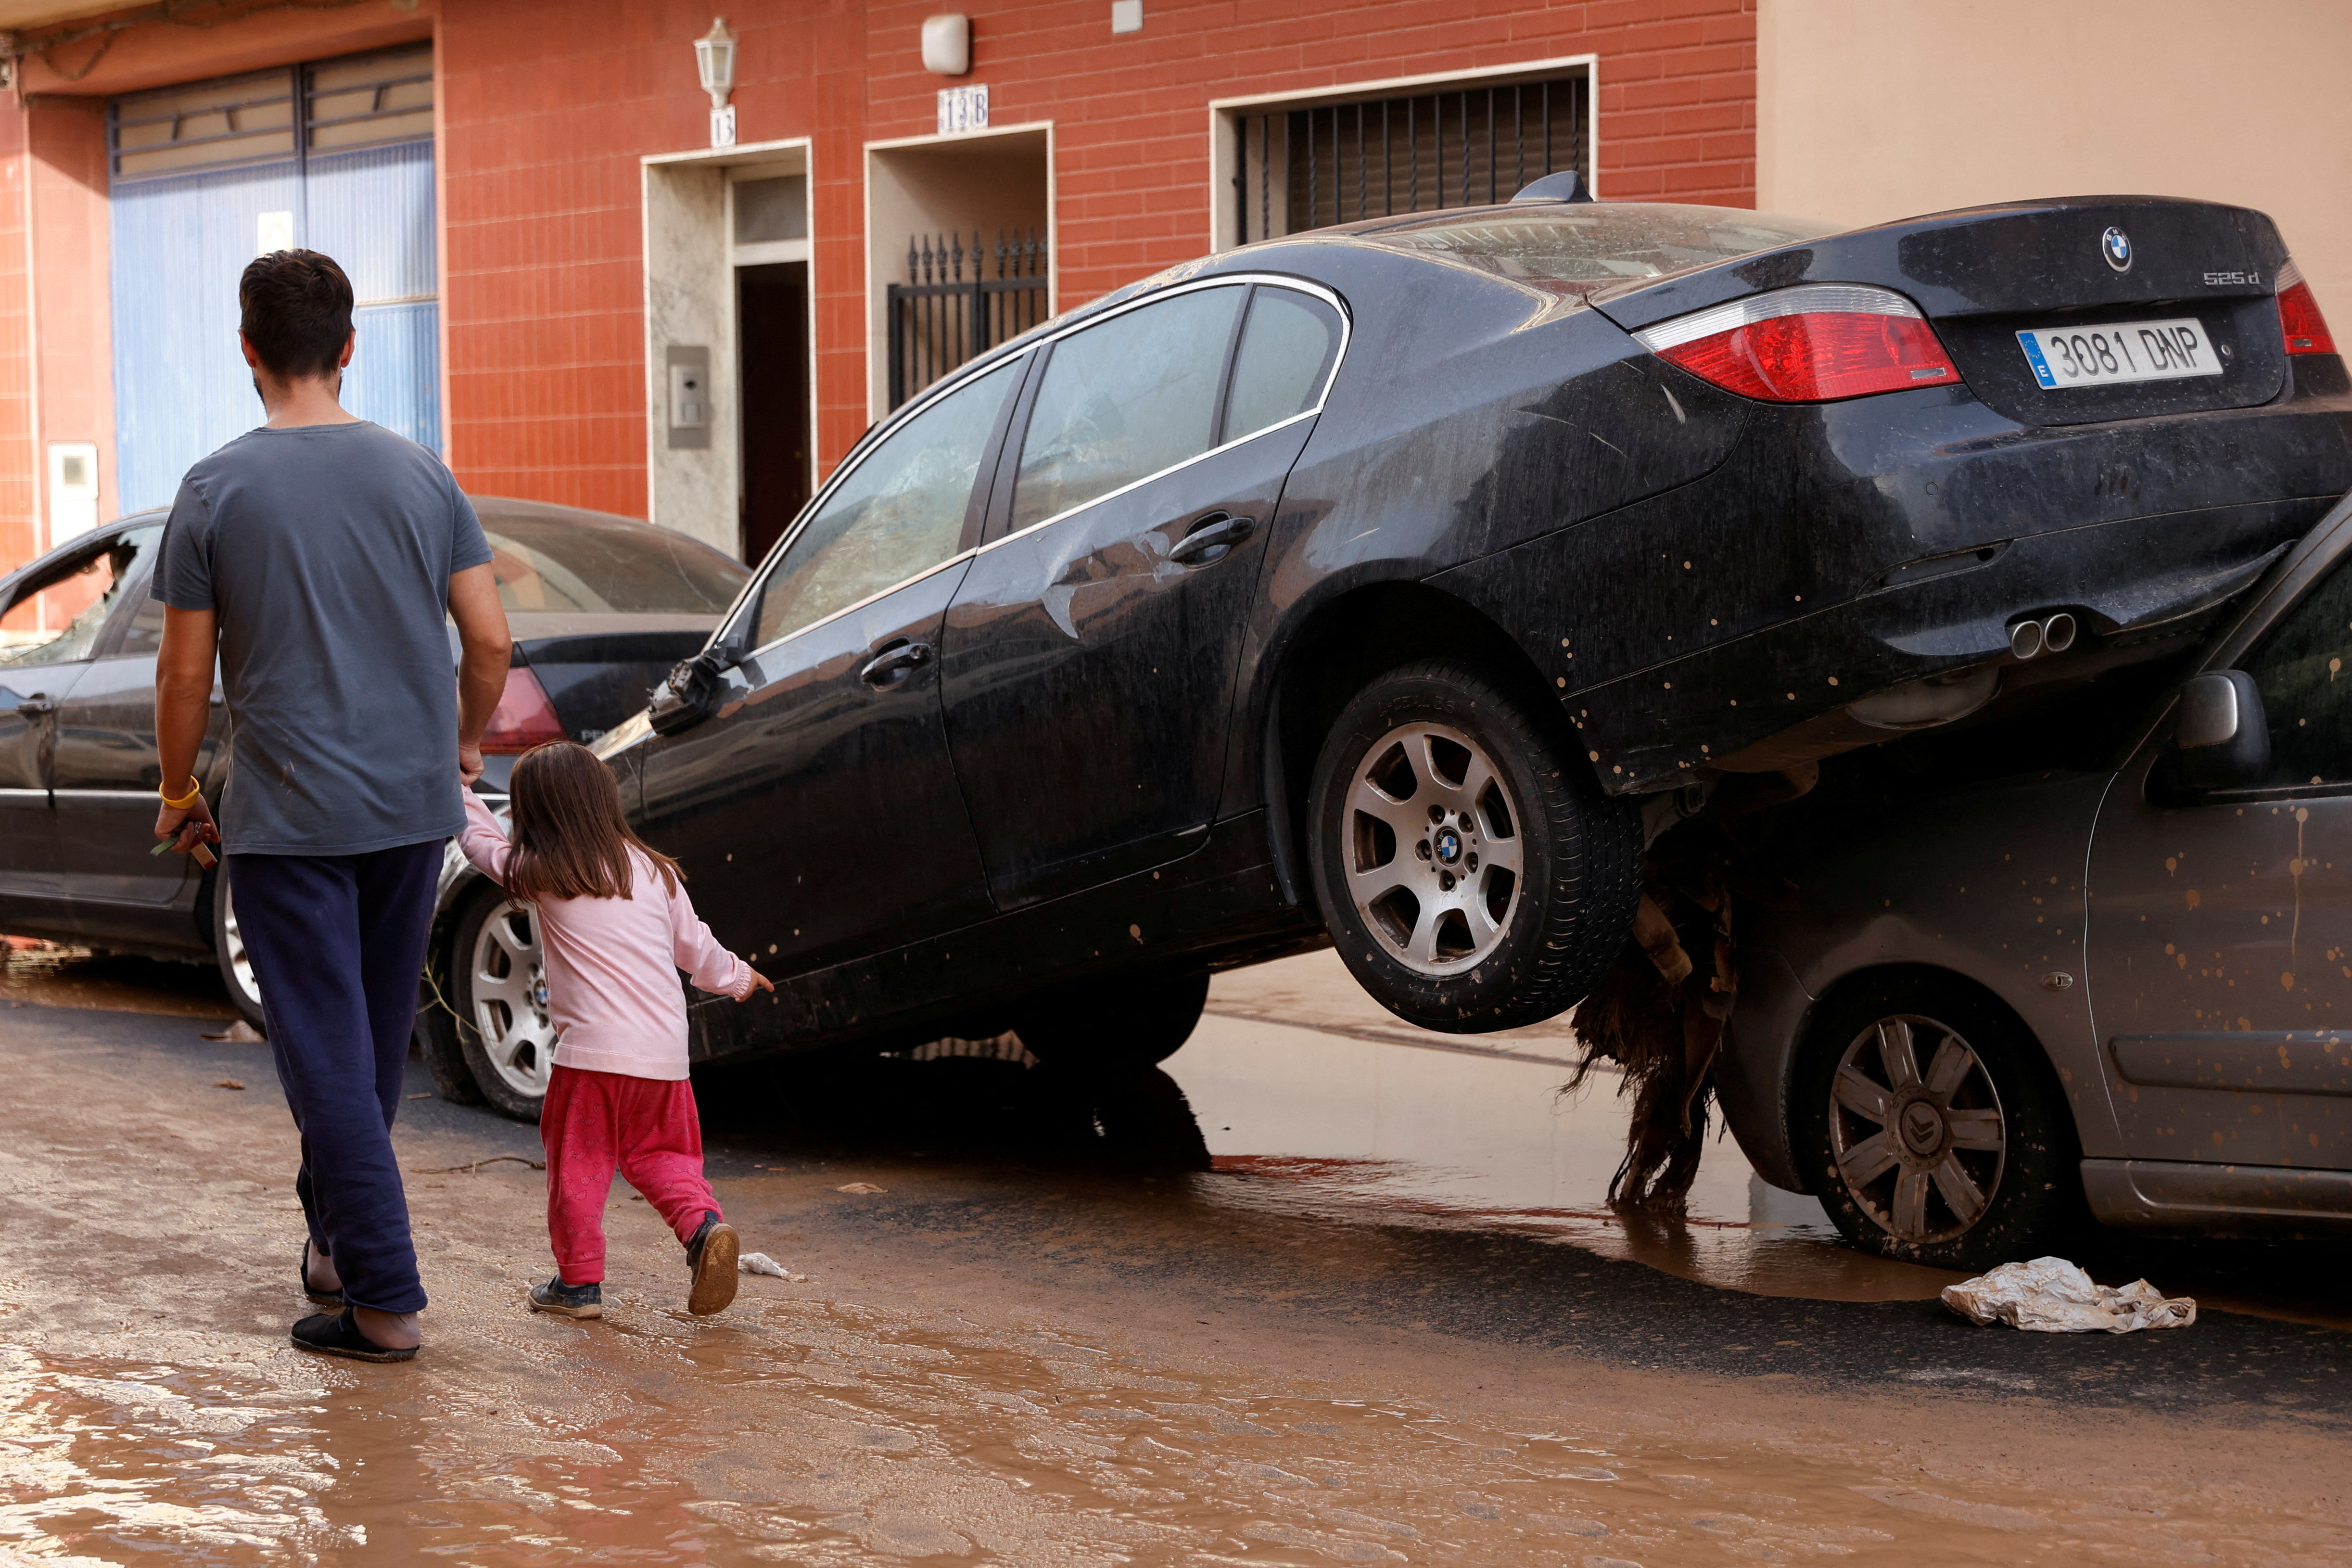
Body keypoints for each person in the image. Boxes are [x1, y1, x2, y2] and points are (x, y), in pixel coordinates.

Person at [151, 249, 512, 1364]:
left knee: (324, 1053)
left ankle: (385, 1299)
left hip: (288, 815)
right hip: (411, 807)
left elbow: (183, 672)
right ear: (350, 347)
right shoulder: (423, 477)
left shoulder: (215, 489)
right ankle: (330, 1248)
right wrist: (460, 746)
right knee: (362, 1049)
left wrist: (177, 789)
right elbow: (491, 640)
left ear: (248, 351)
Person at [453, 740, 773, 1318]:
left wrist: (454, 785)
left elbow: (480, 842)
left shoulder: (543, 872)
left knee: (578, 1167)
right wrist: (739, 977)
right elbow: (696, 949)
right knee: (665, 1157)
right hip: (664, 1058)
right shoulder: (654, 871)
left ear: (534, 814)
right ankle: (703, 1229)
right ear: (604, 800)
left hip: (591, 1060)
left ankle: (578, 1285)